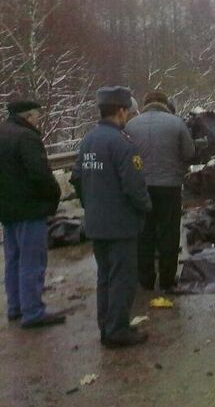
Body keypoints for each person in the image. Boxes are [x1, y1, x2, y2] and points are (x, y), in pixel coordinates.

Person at [71, 86, 151, 348]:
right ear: (120, 111)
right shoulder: (123, 143)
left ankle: (106, 326)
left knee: (104, 277)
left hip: (97, 223)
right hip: (121, 225)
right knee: (123, 279)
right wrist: (145, 208)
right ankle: (118, 330)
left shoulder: (88, 140)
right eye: (127, 111)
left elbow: (78, 179)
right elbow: (134, 187)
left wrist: (92, 205)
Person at [0, 100, 65, 328]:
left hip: (7, 210)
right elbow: (39, 174)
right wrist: (54, 194)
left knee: (13, 259)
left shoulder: (3, 132)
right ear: (28, 116)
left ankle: (15, 307)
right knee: (32, 260)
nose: (38, 120)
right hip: (29, 208)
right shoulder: (26, 137)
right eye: (37, 115)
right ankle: (33, 312)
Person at [125, 90, 195, 291]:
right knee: (169, 233)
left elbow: (124, 155)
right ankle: (166, 279)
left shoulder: (130, 126)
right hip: (170, 187)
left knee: (144, 233)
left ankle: (145, 279)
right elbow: (189, 153)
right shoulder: (176, 123)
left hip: (141, 187)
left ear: (145, 104)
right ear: (166, 103)